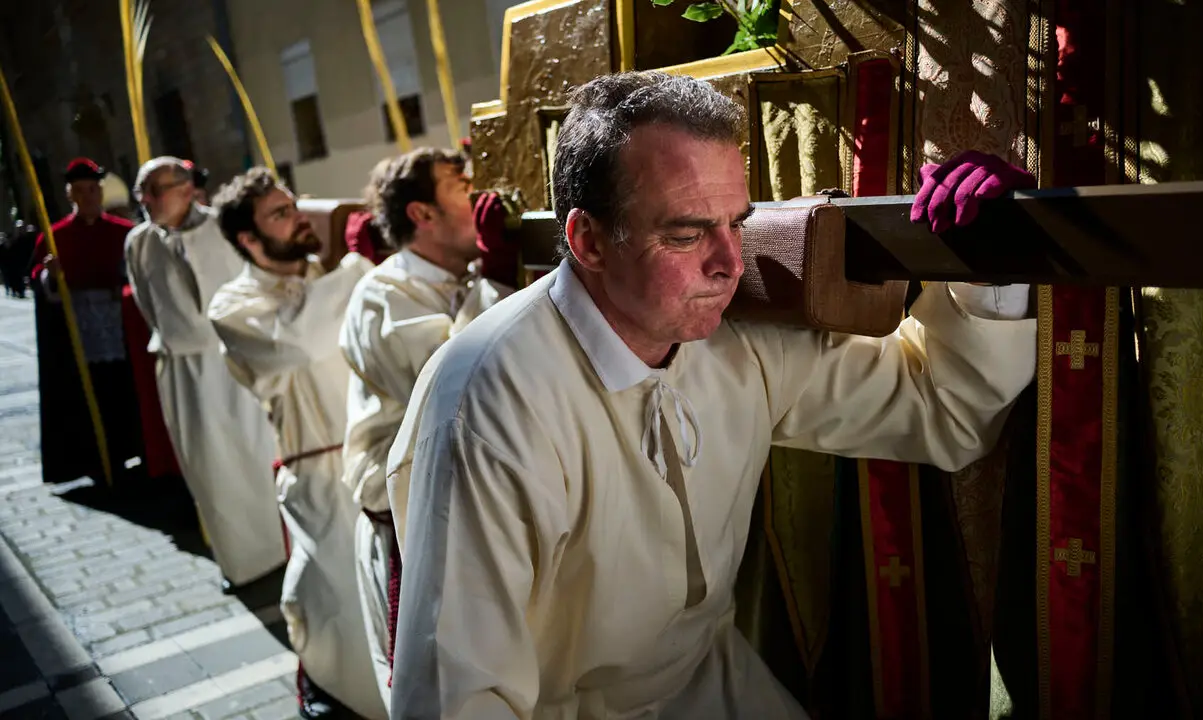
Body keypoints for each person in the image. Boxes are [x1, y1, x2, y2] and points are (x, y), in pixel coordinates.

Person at [386, 72, 1038, 718]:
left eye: (737, 223)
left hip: (715, 683)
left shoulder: (732, 335)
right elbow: (458, 698)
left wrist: (991, 262)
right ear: (587, 240)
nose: (729, 262)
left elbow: (940, 410)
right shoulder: (486, 403)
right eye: (686, 233)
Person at [338, 147, 517, 708]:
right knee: (435, 687)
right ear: (422, 214)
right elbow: (453, 385)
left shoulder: (459, 276)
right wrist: (495, 278)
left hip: (472, 503)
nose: (479, 193)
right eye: (461, 185)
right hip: (407, 515)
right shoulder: (382, 293)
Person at [208, 167, 384, 720]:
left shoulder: (325, 275)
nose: (299, 219)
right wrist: (356, 265)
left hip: (376, 457)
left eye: (295, 205)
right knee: (339, 606)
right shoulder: (231, 306)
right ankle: (340, 695)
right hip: (317, 471)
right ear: (249, 240)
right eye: (280, 214)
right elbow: (301, 343)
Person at [124, 156, 286, 591]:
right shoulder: (138, 243)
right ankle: (243, 562)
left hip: (238, 358)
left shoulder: (225, 227)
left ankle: (286, 545)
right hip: (183, 369)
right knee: (210, 469)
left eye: (155, 190)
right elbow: (148, 306)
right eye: (143, 192)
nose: (147, 201)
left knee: (259, 452)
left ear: (185, 187)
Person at [30, 157, 145, 486]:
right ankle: (99, 459)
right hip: (80, 336)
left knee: (127, 392)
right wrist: (50, 277)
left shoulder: (125, 233)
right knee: (90, 395)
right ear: (71, 196)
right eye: (80, 191)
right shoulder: (54, 238)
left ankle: (138, 450)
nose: (88, 197)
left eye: (93, 190)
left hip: (122, 330)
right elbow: (41, 281)